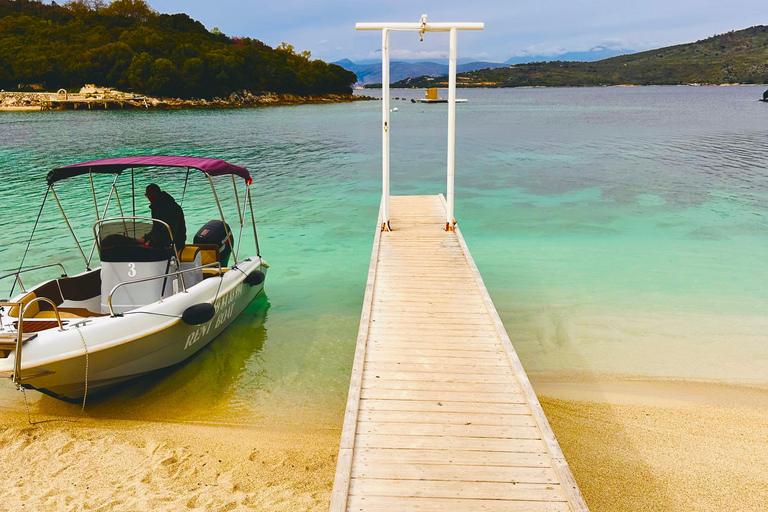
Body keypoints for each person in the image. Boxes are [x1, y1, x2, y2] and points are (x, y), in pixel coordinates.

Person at [140, 183, 186, 250]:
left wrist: (151, 243)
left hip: (174, 243)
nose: (149, 197)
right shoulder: (156, 207)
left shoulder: (170, 208)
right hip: (162, 241)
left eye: (152, 194)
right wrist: (145, 238)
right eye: (147, 195)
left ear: (158, 193)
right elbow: (156, 229)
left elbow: (167, 232)